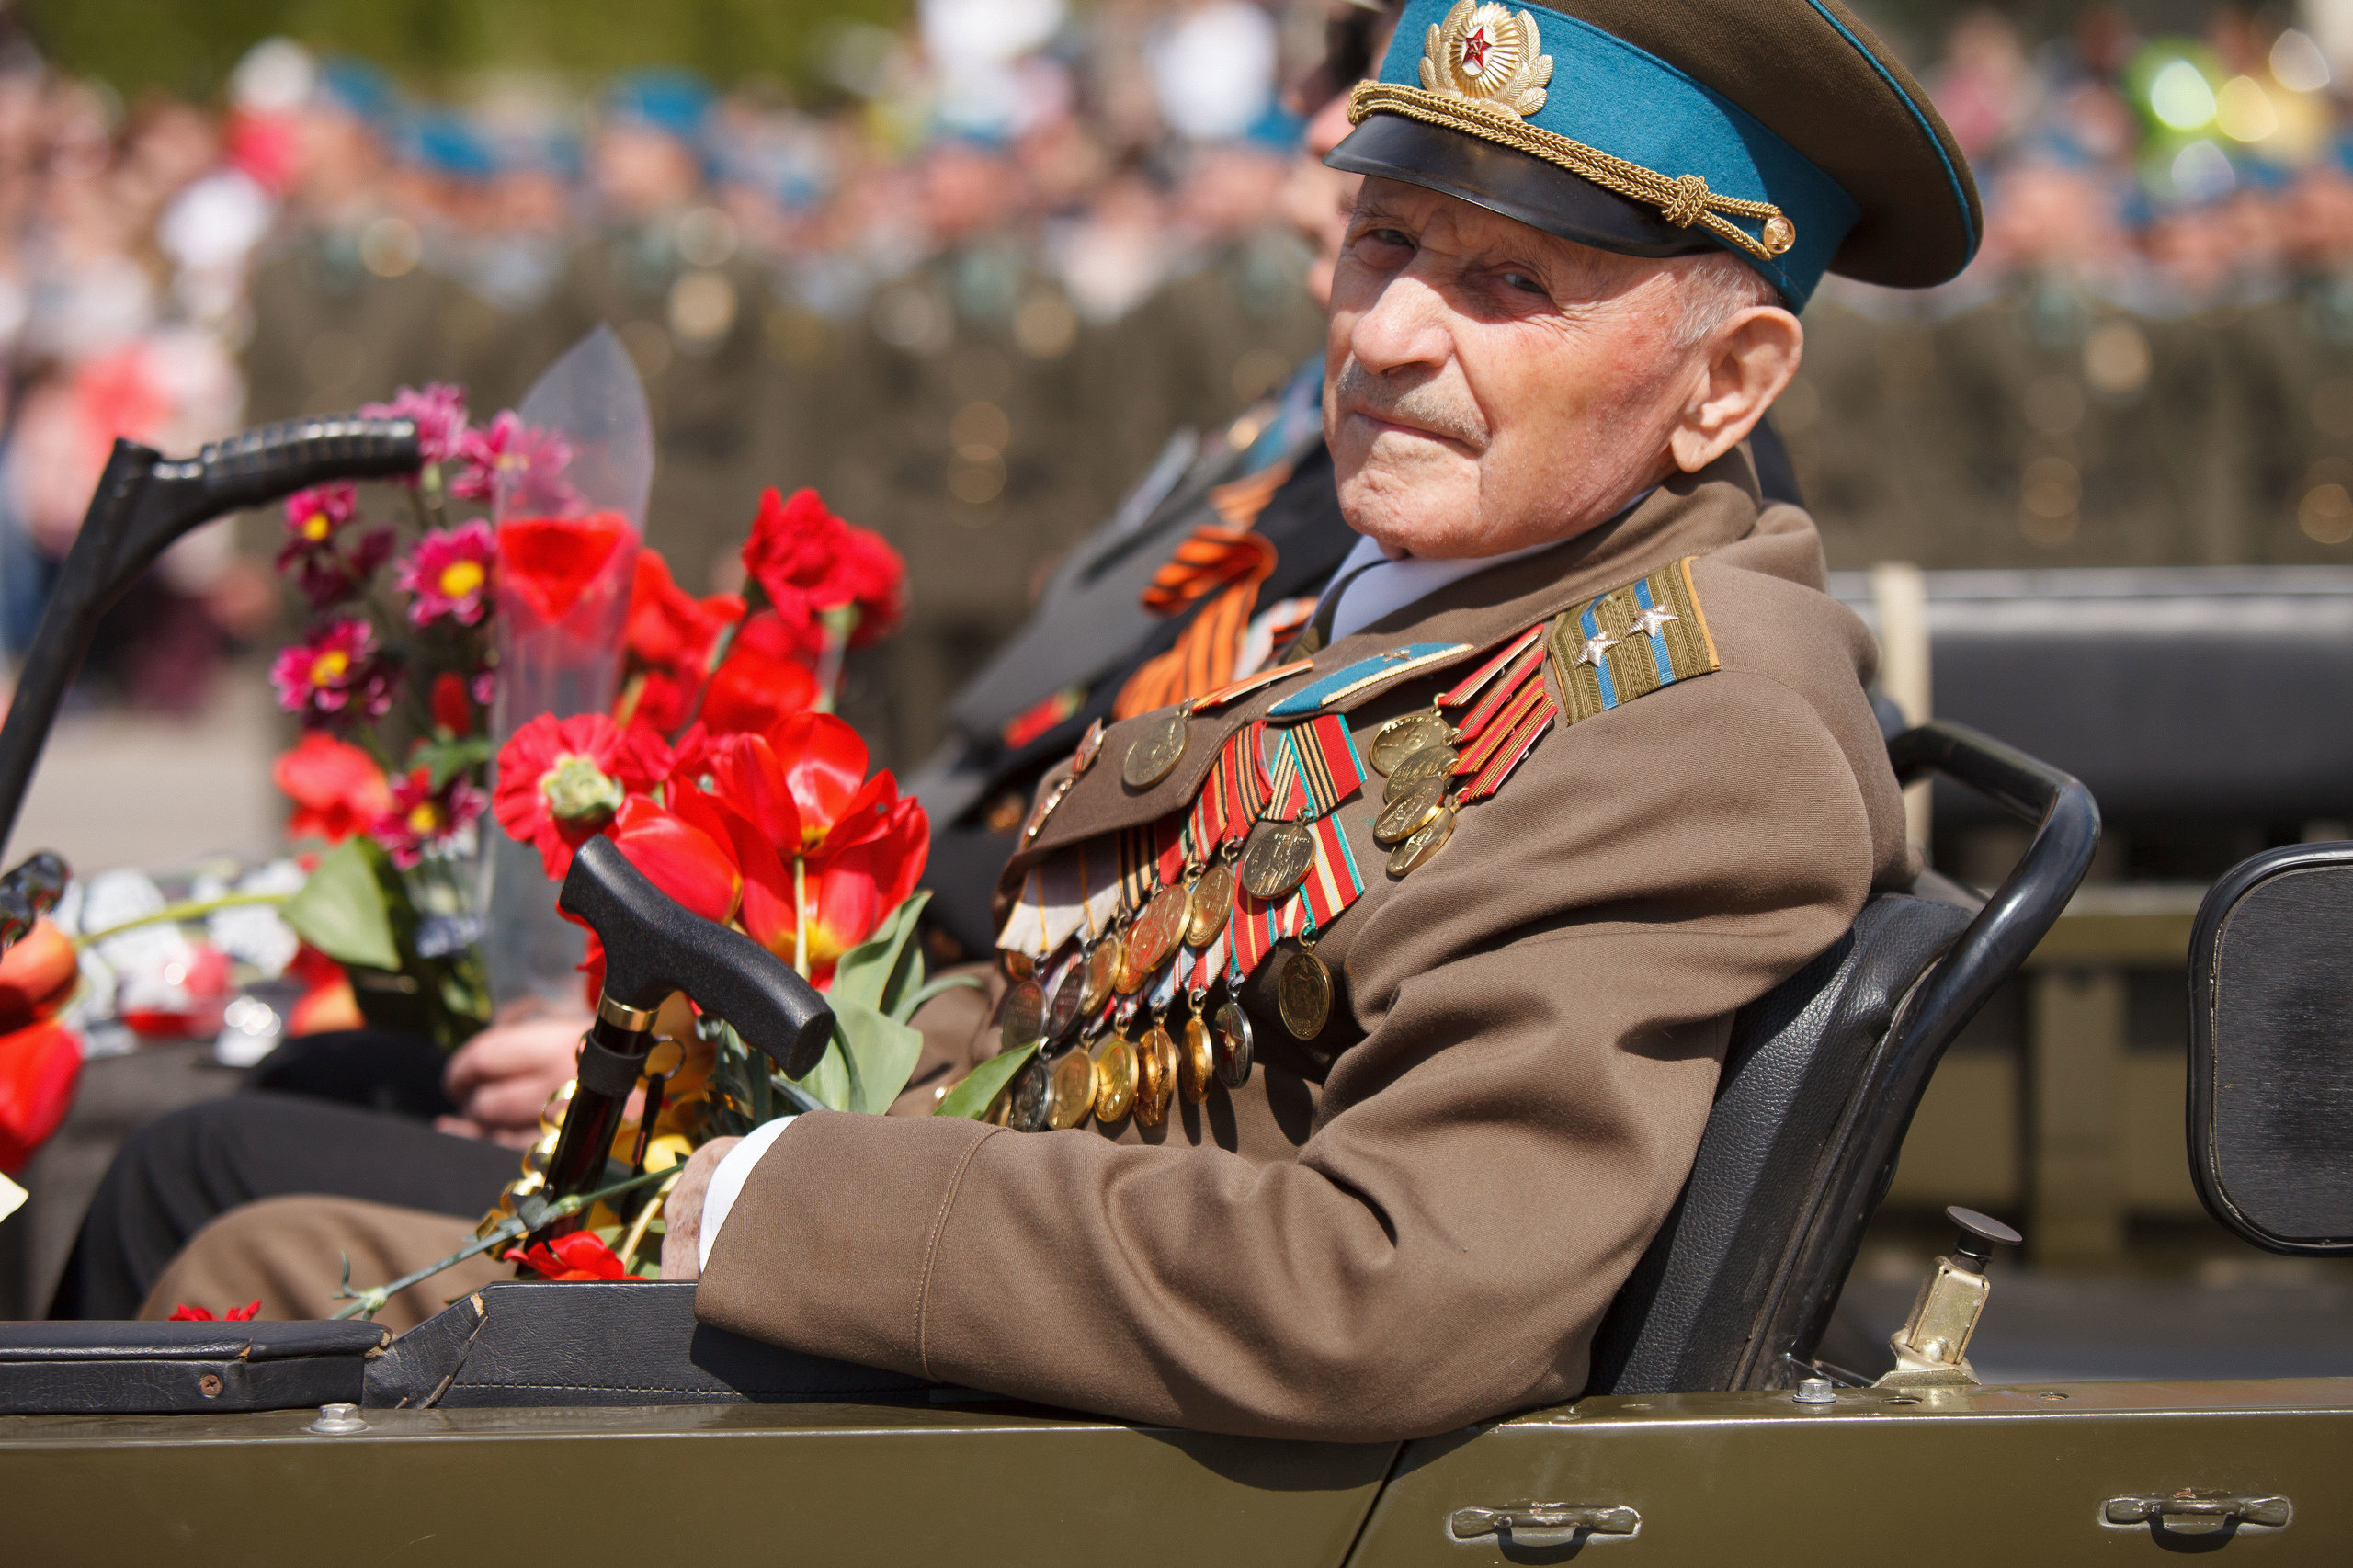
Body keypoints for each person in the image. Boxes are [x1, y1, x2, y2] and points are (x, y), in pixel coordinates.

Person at [135, 0, 1979, 1444]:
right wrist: (728, 1096)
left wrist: (800, 1199)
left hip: (1095, 1438)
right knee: (244, 1253)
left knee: (241, 1280)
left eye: (1507, 283)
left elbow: (1390, 1290)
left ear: (1726, 383)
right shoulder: (1437, 600)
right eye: (1378, 242)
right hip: (1031, 1328)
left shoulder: (1680, 718)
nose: (1391, 334)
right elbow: (1084, 998)